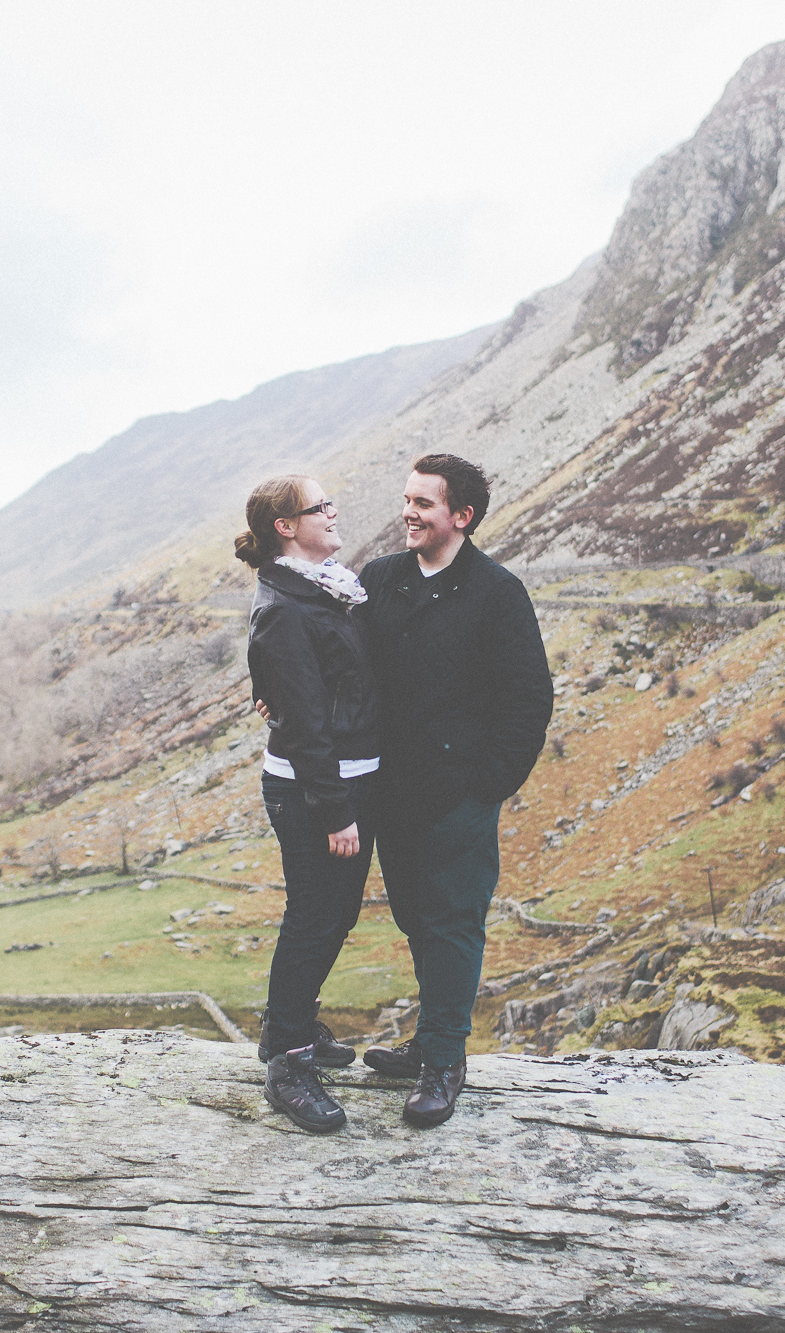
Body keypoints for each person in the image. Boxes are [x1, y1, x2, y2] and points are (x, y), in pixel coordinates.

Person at [357, 453, 553, 1127]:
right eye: (406, 498)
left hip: (459, 797)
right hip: (392, 794)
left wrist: (488, 785)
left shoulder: (499, 594)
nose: (408, 512)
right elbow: (337, 658)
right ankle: (428, 1043)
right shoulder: (378, 580)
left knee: (454, 922)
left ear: (461, 517)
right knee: (416, 917)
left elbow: (529, 698)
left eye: (423, 503)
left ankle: (444, 1060)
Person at [235, 474, 380, 1134]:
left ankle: (288, 1027)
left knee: (333, 911)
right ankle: (288, 1063)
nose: (333, 509)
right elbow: (305, 720)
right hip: (315, 785)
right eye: (319, 505)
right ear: (286, 527)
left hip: (344, 774)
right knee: (315, 913)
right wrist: (335, 809)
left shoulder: (324, 588)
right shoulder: (288, 606)